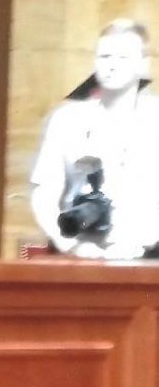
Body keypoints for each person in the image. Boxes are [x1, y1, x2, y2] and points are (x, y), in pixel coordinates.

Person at [30, 18, 159, 259]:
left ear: (143, 64)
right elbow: (44, 192)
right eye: (105, 57)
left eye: (122, 58)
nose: (112, 66)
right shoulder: (67, 119)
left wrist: (144, 240)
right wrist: (71, 246)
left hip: (149, 255)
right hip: (79, 253)